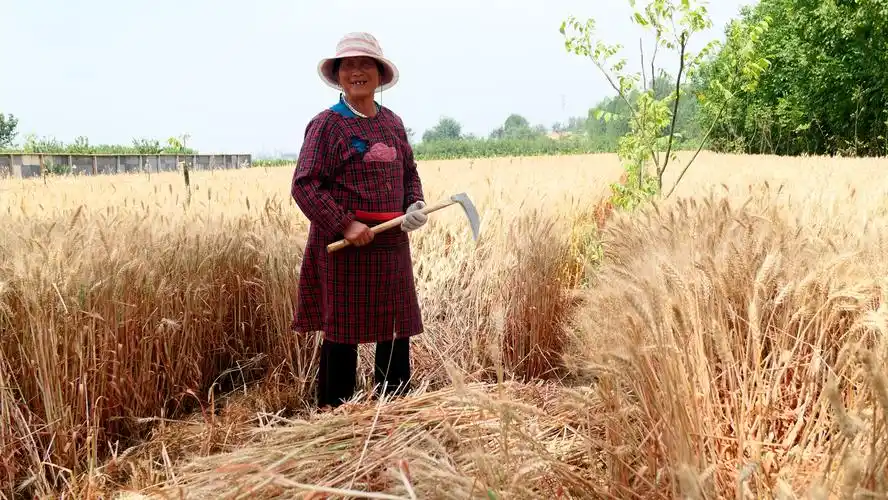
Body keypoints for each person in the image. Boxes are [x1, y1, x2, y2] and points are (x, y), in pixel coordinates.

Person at [290, 32, 428, 409]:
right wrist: (345, 224)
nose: (356, 72)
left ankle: (394, 408)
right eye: (347, 65)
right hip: (345, 247)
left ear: (379, 74)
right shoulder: (327, 125)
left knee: (395, 330)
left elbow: (409, 172)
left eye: (365, 64)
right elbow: (305, 184)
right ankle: (337, 415)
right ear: (338, 76)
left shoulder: (393, 124)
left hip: (391, 243)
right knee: (342, 333)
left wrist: (414, 204)